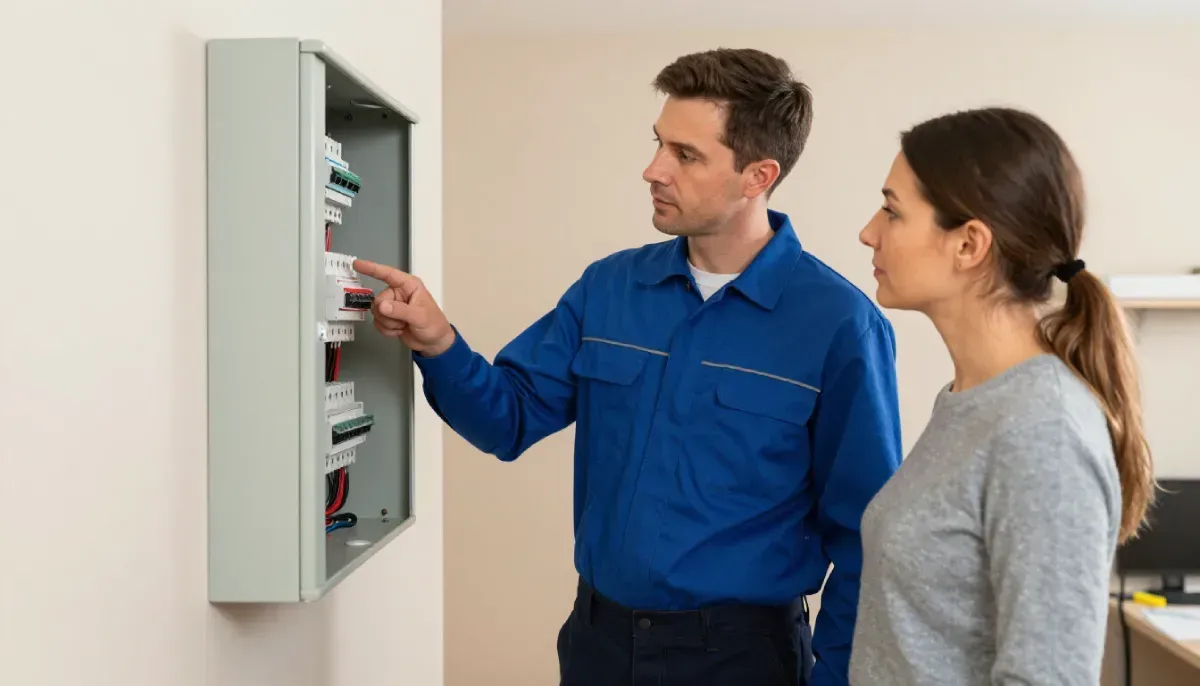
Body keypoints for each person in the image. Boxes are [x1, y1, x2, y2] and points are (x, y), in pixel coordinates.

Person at [355, 48, 903, 686]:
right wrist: (438, 341)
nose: (653, 170)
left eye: (686, 155)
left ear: (758, 175)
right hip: (599, 646)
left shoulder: (839, 325)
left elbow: (868, 537)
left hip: (744, 660)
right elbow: (506, 419)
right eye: (658, 144)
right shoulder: (609, 289)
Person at [851, 107, 1155, 685]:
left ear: (969, 244)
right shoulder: (972, 400)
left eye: (893, 210)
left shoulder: (1043, 428)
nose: (870, 231)